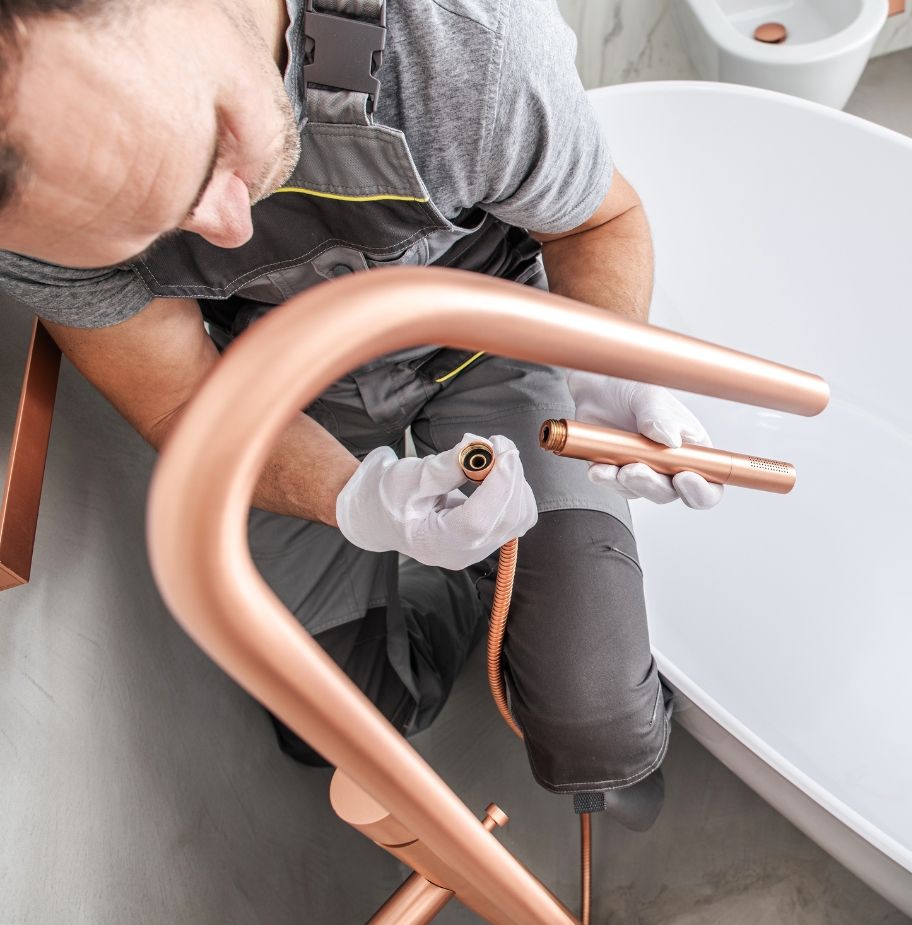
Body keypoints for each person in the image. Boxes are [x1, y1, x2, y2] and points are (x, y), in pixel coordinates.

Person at [0, 0, 724, 829]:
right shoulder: (30, 220)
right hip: (291, 377)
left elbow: (602, 220)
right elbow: (182, 398)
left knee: (599, 723)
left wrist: (605, 360)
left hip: (488, 326)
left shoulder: (461, 44)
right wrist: (361, 498)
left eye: (212, 150)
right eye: (156, 228)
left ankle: (572, 663)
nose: (231, 226)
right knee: (334, 719)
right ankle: (478, 586)